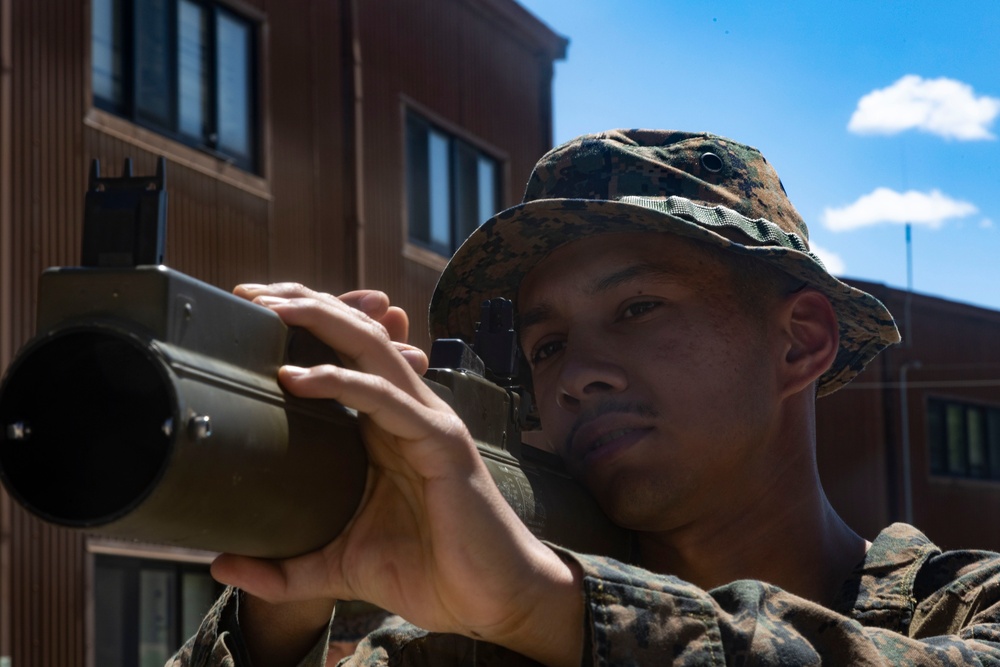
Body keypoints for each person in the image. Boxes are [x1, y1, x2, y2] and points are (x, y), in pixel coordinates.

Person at [168, 130, 1000, 666]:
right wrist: (284, 606)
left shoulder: (960, 611)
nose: (575, 376)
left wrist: (544, 603)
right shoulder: (469, 639)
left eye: (637, 308)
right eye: (548, 346)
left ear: (801, 339)